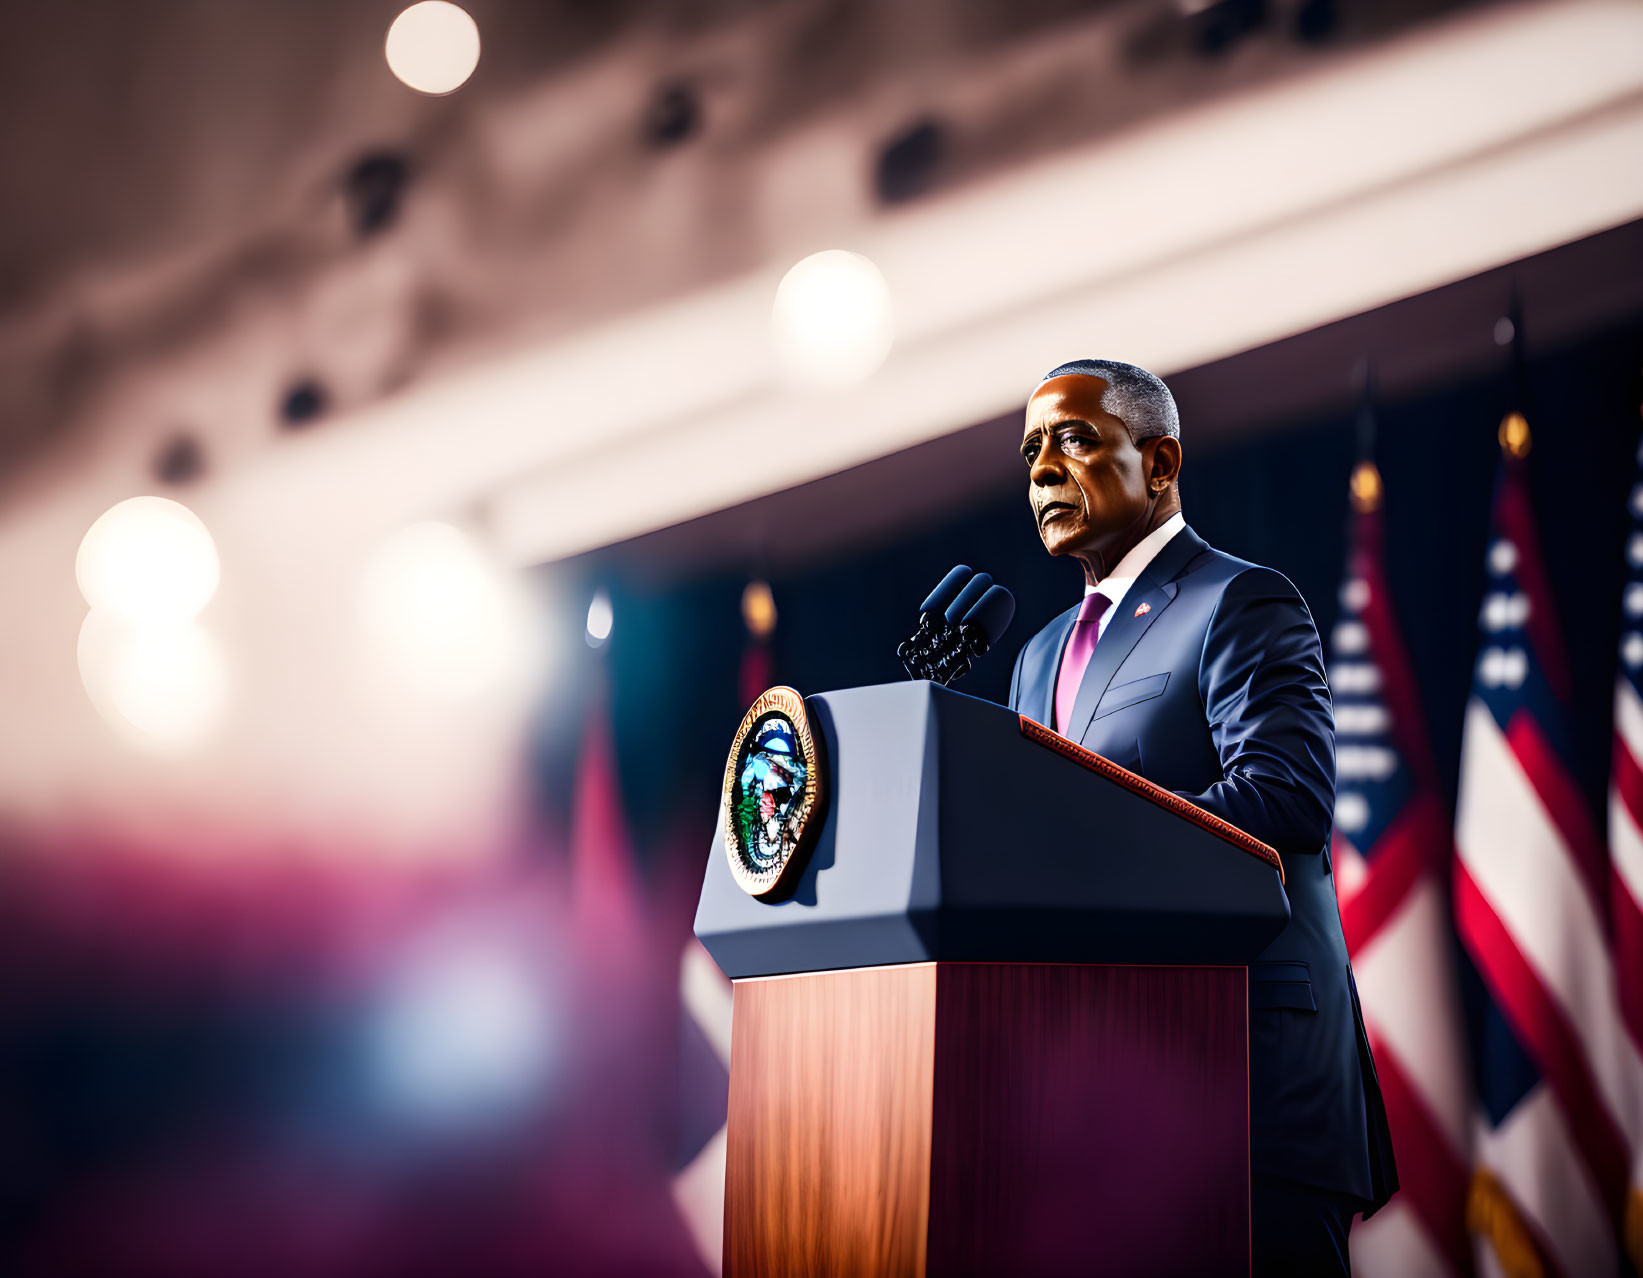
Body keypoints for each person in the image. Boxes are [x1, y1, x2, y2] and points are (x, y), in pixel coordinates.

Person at [1007, 359, 1397, 1275]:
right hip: (1109, 1104)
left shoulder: (1237, 599)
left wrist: (1084, 855)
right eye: (1030, 453)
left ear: (1161, 460)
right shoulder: (1033, 658)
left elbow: (1285, 799)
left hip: (1246, 1076)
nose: (1042, 471)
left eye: (1071, 440)